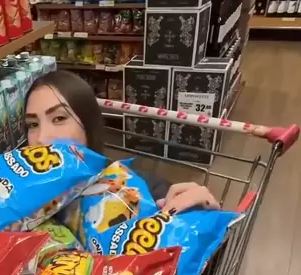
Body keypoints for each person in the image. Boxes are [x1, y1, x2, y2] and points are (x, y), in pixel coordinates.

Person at [25, 69, 220, 214]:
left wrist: (202, 217)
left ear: (88, 124)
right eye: (33, 124)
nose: (41, 139)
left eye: (59, 118)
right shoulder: (20, 198)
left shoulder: (141, 190)